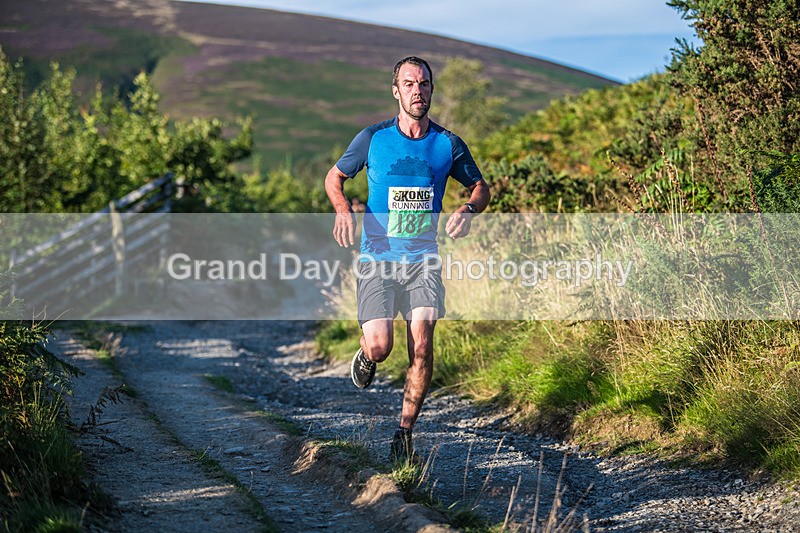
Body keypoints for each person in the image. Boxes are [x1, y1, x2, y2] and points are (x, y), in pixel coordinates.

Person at [324, 56, 490, 462]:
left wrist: (468, 210)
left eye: (425, 84)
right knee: (382, 346)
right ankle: (367, 353)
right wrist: (343, 208)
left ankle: (404, 433)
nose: (419, 91)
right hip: (377, 259)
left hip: (423, 261)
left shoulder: (447, 144)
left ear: (432, 90)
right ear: (396, 91)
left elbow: (481, 188)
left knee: (422, 343)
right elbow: (335, 177)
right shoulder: (373, 139)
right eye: (410, 84)